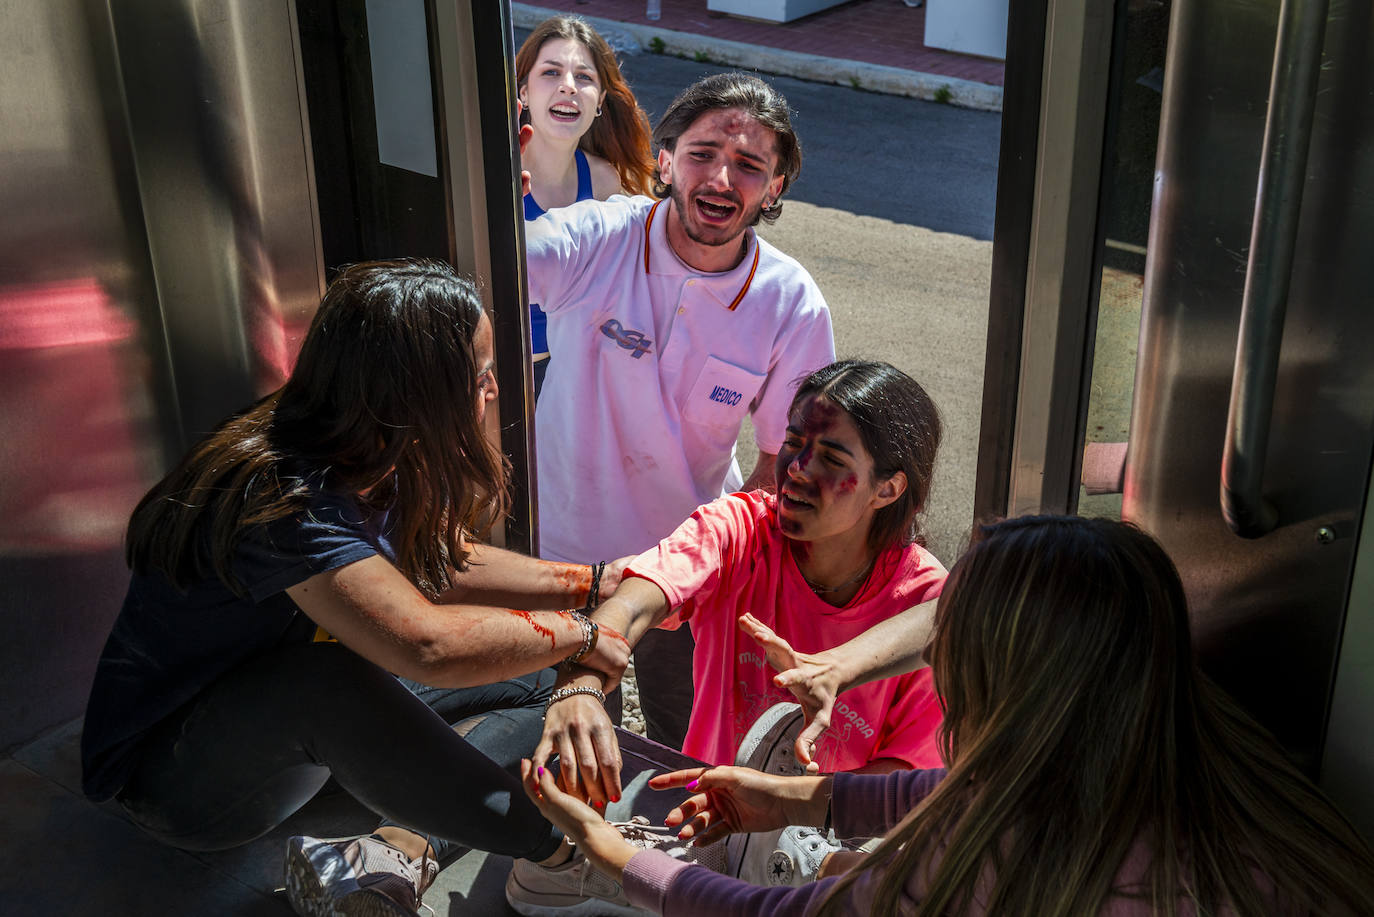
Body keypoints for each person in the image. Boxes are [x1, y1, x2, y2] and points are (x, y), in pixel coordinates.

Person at [79, 260, 635, 916]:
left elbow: (442, 558)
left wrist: (595, 584)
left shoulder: (360, 440)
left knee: (541, 674)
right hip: (181, 781)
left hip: (285, 747)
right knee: (329, 678)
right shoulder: (284, 493)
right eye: (478, 374)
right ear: (417, 388)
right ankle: (566, 856)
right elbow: (428, 646)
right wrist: (592, 633)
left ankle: (393, 848)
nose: (492, 387)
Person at [520, 515, 1374, 915]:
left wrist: (608, 853)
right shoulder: (1210, 758)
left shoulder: (998, 859)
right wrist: (802, 798)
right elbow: (987, 791)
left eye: (946, 650)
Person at [524, 71, 836, 747]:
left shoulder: (790, 301)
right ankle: (553, 850)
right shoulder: (599, 237)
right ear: (665, 160)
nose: (723, 178)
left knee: (688, 739)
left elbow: (789, 454)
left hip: (684, 568)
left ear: (775, 187)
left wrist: (726, 553)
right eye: (702, 154)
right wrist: (492, 209)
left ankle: (678, 854)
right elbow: (499, 265)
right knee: (559, 734)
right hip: (560, 552)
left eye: (750, 165)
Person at [535, 360, 945, 801]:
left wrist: (777, 804)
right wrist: (581, 684)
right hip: (701, 820)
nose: (797, 468)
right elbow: (637, 598)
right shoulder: (737, 530)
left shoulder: (928, 602)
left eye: (831, 458)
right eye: (792, 442)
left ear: (888, 489)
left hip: (833, 850)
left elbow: (908, 774)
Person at [515, 15, 654, 396]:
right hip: (492, 376)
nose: (568, 87)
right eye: (551, 73)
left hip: (571, 379)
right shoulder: (489, 171)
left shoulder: (609, 184)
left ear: (600, 103)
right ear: (523, 92)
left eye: (584, 78)